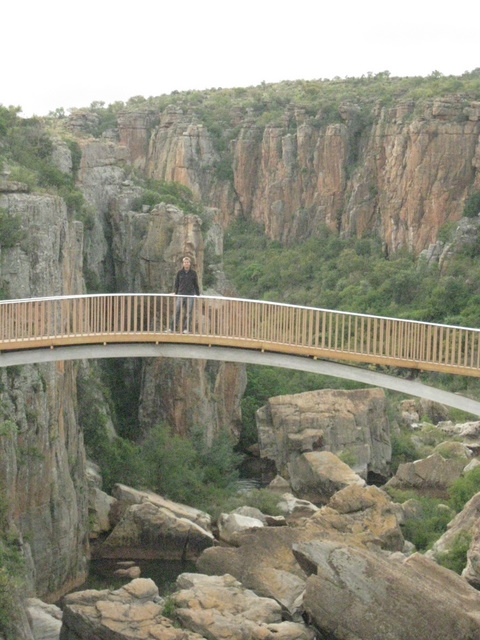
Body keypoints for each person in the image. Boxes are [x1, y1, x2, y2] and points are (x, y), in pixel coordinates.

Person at [170, 256, 200, 332]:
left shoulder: (193, 273)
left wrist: (198, 294)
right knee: (177, 311)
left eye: (187, 262)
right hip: (181, 294)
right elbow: (176, 283)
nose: (186, 264)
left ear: (190, 263)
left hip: (190, 294)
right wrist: (175, 292)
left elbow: (195, 284)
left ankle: (186, 329)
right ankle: (172, 328)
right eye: (185, 262)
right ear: (183, 263)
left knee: (189, 313)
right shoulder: (179, 273)